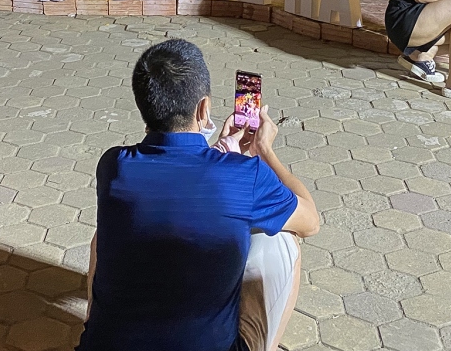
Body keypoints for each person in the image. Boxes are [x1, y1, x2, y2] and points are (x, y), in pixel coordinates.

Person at [77, 39, 320, 351]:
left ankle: (94, 323)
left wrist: (221, 152)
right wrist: (264, 151)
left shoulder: (113, 166)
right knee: (282, 237)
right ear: (204, 108)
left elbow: (180, 182)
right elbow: (311, 221)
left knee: (105, 234)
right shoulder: (246, 175)